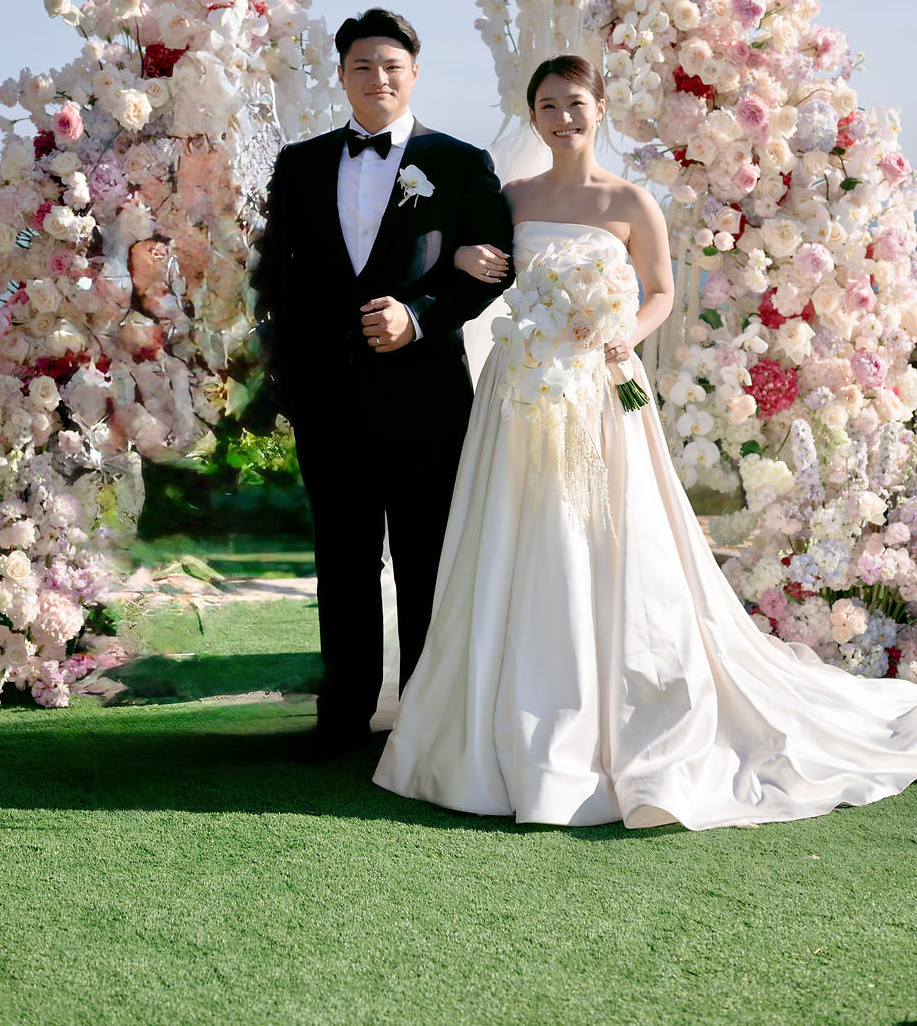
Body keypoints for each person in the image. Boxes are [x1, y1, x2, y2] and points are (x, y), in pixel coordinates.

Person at [373, 55, 917, 830]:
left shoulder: (632, 201)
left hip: (599, 392)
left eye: (576, 104)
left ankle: (612, 715)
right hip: (518, 393)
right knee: (513, 542)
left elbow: (660, 290)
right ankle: (504, 721)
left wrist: (623, 333)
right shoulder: (511, 196)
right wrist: (462, 256)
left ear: (601, 110)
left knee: (600, 539)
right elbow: (480, 270)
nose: (564, 117)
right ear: (534, 117)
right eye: (549, 106)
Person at [255, 8, 514, 761]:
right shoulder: (299, 165)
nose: (378, 78)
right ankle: (342, 718)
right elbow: (277, 277)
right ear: (342, 76)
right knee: (342, 560)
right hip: (329, 400)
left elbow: (496, 260)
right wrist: (288, 377)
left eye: (391, 65)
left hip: (428, 399)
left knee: (429, 559)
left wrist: (422, 315)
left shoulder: (460, 163)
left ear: (414, 72)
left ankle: (428, 719)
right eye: (363, 66)